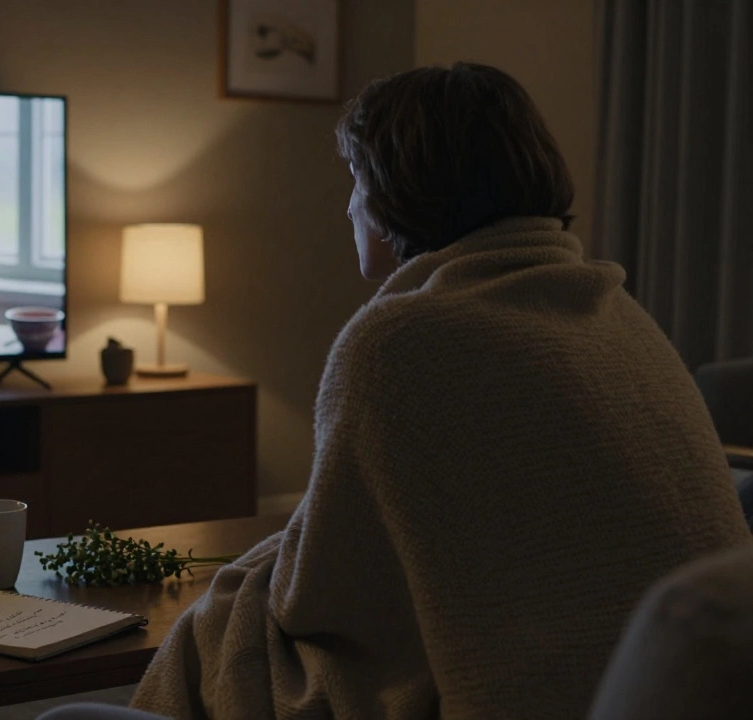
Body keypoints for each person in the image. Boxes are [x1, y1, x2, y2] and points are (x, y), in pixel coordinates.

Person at [121, 63, 753, 719]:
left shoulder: (397, 345)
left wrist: (241, 591)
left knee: (221, 621)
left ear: (401, 191)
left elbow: (320, 598)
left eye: (356, 180)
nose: (347, 204)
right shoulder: (620, 315)